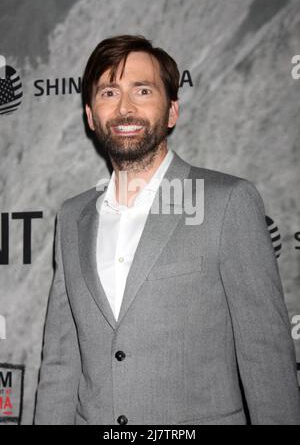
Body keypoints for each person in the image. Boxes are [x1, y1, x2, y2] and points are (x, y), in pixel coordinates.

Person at [34, 34, 300, 425]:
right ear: (90, 115)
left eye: (142, 90)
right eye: (109, 92)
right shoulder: (72, 218)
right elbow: (60, 361)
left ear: (172, 111)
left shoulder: (228, 202)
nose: (125, 107)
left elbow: (266, 355)